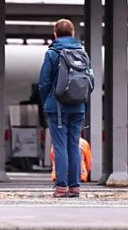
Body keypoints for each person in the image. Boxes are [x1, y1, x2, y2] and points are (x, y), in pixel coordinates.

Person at [39, 19, 88, 198]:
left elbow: (44, 82)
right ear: (73, 33)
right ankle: (75, 187)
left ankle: (61, 186)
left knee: (60, 145)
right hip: (78, 106)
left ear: (55, 34)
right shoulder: (83, 52)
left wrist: (47, 101)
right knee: (73, 145)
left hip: (57, 108)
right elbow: (90, 81)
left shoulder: (52, 53)